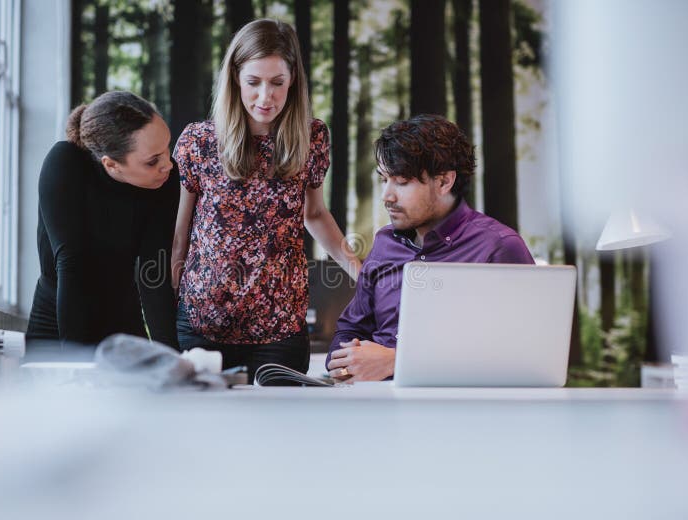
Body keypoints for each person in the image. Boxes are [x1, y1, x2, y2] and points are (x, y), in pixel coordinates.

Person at [172, 19, 361, 381]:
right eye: (253, 83)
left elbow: (315, 213)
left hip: (280, 327)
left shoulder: (312, 136)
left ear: (293, 81)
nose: (265, 97)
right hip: (202, 324)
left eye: (277, 83)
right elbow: (180, 233)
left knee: (281, 432)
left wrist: (359, 271)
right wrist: (171, 301)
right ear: (235, 79)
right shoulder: (198, 141)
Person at [326, 114, 534, 382]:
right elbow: (350, 328)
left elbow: (520, 352)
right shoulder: (384, 242)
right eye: (383, 179)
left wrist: (397, 361)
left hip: (455, 411)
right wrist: (346, 365)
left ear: (444, 181)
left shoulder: (499, 248)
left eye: (401, 182)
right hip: (373, 405)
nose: (386, 196)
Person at [26, 91, 179, 347]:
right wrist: (75, 364)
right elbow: (71, 265)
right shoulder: (66, 163)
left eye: (167, 149)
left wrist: (170, 355)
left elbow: (153, 273)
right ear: (111, 165)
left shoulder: (164, 180)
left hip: (122, 323)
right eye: (153, 161)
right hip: (58, 318)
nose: (168, 164)